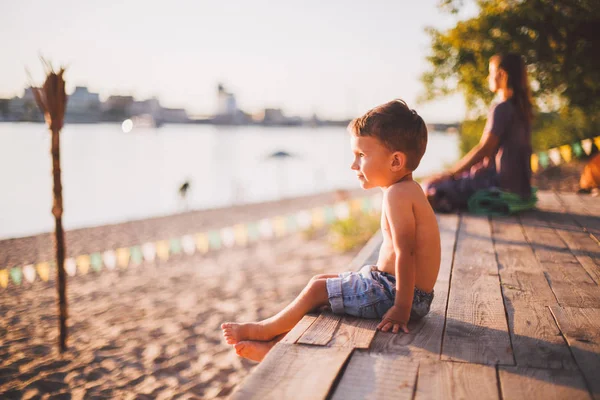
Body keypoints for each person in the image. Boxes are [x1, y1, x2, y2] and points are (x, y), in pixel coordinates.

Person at [221, 99, 441, 362]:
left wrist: (401, 308)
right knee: (321, 281)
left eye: (361, 155)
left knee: (318, 291)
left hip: (398, 295)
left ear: (395, 161)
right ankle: (278, 341)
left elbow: (407, 253)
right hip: (398, 289)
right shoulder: (406, 190)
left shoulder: (398, 195)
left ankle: (265, 331)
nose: (353, 165)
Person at [423, 53, 534, 212]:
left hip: (499, 183)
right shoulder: (523, 109)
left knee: (431, 184)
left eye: (491, 73)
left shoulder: (501, 108)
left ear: (501, 74)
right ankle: (447, 198)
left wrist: (452, 173)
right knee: (453, 181)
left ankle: (445, 199)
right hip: (521, 185)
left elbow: (485, 148)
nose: (488, 78)